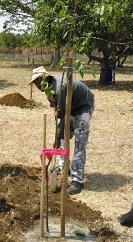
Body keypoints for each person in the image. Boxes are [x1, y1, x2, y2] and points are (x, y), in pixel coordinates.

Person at [29, 66, 94, 195]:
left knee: (79, 143)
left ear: (45, 78)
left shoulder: (60, 88)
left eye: (37, 81)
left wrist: (57, 138)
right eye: (35, 82)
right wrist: (57, 116)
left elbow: (64, 115)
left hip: (83, 106)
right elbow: (59, 110)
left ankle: (77, 180)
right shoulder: (48, 89)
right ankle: (63, 165)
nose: (36, 85)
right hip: (69, 107)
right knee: (65, 136)